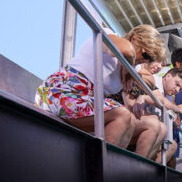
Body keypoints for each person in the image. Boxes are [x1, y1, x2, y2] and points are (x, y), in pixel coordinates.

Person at [35, 25, 167, 158]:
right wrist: (128, 66)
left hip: (86, 101)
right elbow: (127, 50)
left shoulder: (133, 67)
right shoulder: (108, 36)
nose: (145, 61)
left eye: (150, 59)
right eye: (146, 55)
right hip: (62, 91)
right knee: (122, 115)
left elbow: (150, 81)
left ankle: (107, 167)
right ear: (134, 39)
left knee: (131, 120)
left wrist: (131, 72)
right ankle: (95, 170)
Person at [155, 48, 182, 166]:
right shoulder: (165, 73)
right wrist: (177, 110)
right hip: (163, 122)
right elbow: (165, 95)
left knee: (172, 152)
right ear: (177, 63)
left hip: (172, 124)